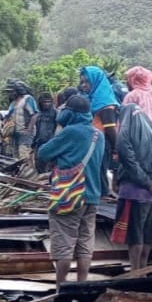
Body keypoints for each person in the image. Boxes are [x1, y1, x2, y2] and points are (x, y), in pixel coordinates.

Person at [35, 95, 105, 288]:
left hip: (69, 195)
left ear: (70, 113)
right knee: (85, 241)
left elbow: (43, 152)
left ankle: (61, 287)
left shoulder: (70, 132)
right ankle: (81, 284)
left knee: (64, 241)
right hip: (92, 196)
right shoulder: (99, 135)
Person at [113, 103, 152, 270]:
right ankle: (143, 270)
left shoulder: (125, 132)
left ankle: (135, 271)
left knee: (134, 235)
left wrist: (146, 182)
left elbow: (129, 160)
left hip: (133, 191)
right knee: (147, 233)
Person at [79, 66, 120, 196]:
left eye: (87, 82)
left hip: (101, 143)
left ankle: (101, 200)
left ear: (96, 81)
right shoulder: (93, 98)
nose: (84, 85)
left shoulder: (105, 103)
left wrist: (117, 148)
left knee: (98, 172)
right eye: (82, 82)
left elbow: (110, 128)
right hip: (93, 141)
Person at [2, 80, 37, 162]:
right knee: (15, 156)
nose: (9, 94)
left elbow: (34, 115)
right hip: (14, 134)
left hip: (25, 133)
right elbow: (9, 116)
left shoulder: (28, 99)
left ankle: (28, 172)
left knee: (24, 154)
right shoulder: (13, 103)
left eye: (11, 92)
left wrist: (29, 129)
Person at [32, 93, 58, 174]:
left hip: (51, 142)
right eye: (44, 102)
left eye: (48, 102)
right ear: (40, 103)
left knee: (50, 165)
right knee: (38, 164)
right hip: (39, 142)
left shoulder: (55, 113)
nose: (47, 104)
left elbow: (58, 128)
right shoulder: (38, 114)